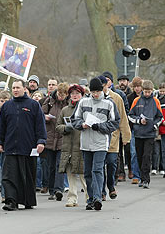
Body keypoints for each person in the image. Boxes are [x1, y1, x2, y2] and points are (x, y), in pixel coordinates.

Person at [0, 79, 47, 211]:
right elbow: (1, 126)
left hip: (28, 148)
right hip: (10, 148)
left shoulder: (33, 105)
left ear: (24, 89)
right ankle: (11, 201)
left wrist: (41, 141)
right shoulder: (7, 106)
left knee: (28, 176)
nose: (15, 90)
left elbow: (40, 125)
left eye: (18, 87)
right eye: (13, 88)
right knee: (9, 176)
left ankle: (27, 201)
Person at [71, 77, 120, 211]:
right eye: (93, 91)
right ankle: (91, 198)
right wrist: (82, 125)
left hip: (101, 142)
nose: (95, 94)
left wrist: (100, 127)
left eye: (98, 91)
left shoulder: (109, 103)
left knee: (97, 169)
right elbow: (74, 119)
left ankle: (98, 197)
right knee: (87, 172)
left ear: (102, 90)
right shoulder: (83, 102)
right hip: (86, 142)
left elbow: (115, 122)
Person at [56, 84, 88, 207]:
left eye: (77, 93)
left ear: (82, 95)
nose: (75, 95)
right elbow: (58, 126)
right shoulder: (65, 110)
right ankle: (72, 198)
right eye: (73, 93)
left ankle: (88, 196)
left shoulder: (85, 108)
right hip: (68, 146)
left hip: (81, 145)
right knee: (70, 174)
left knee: (83, 174)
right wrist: (66, 128)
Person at [99, 75, 131, 199]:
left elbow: (122, 118)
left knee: (112, 163)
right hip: (99, 138)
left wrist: (126, 136)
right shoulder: (95, 98)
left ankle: (111, 185)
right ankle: (102, 191)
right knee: (99, 165)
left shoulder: (116, 98)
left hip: (113, 137)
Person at [128, 80, 163, 189]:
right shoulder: (136, 101)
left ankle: (145, 179)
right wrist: (139, 121)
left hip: (150, 133)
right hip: (138, 133)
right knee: (139, 156)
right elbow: (130, 115)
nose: (147, 94)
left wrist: (155, 125)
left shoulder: (156, 101)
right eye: (145, 92)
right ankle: (141, 177)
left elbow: (160, 117)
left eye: (149, 92)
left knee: (147, 156)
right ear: (142, 91)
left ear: (152, 91)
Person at [42, 82, 69, 201]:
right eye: (59, 94)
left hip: (63, 138)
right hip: (50, 137)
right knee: (50, 166)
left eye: (63, 95)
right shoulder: (49, 101)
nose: (60, 96)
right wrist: (45, 117)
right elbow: (40, 114)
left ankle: (59, 189)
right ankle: (52, 190)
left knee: (60, 165)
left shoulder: (68, 104)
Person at [127, 77, 143, 184]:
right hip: (133, 128)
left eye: (138, 86)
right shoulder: (129, 98)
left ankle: (143, 173)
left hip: (145, 129)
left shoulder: (146, 97)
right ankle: (136, 174)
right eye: (135, 87)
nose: (137, 89)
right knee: (134, 152)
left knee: (143, 153)